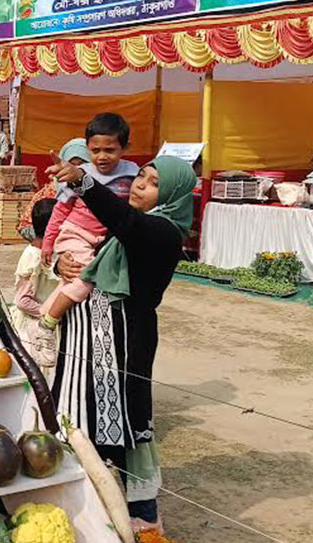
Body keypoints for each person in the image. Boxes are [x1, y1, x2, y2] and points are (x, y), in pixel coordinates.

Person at [47, 154, 197, 534]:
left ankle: (143, 519)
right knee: (80, 421)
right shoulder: (127, 232)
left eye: (154, 183)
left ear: (175, 195)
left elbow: (125, 222)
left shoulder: (164, 234)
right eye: (141, 176)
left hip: (124, 345)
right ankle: (85, 513)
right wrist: (60, 264)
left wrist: (82, 181)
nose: (140, 185)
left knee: (126, 427)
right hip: (85, 345)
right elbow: (90, 261)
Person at [39, 115, 139, 337]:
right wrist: (48, 244)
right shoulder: (79, 175)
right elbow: (60, 210)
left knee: (73, 279)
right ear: (87, 148)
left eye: (109, 150)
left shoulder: (133, 174)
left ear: (125, 148)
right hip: (75, 234)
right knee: (86, 278)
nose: (102, 157)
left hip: (102, 240)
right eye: (95, 150)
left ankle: (46, 312)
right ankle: (48, 322)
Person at [10, 197, 60, 373]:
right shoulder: (33, 257)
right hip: (35, 327)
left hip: (49, 323)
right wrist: (50, 313)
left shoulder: (54, 253)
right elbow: (22, 301)